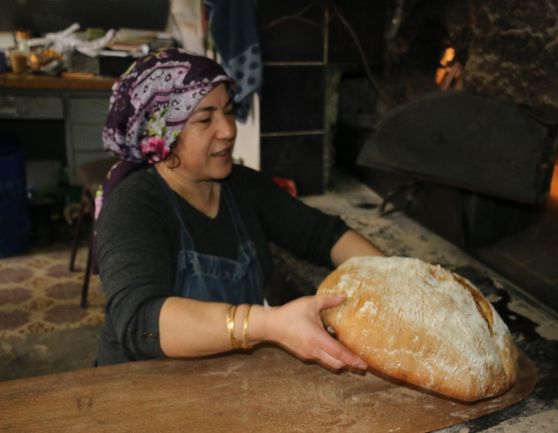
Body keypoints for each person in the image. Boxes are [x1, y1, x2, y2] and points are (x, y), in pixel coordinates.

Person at [95, 48, 384, 369]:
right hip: (141, 381)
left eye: (229, 111)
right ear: (161, 134)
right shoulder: (133, 206)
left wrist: (395, 277)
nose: (228, 130)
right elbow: (140, 321)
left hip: (227, 375)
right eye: (205, 119)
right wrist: (266, 324)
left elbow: (324, 235)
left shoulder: (243, 186)